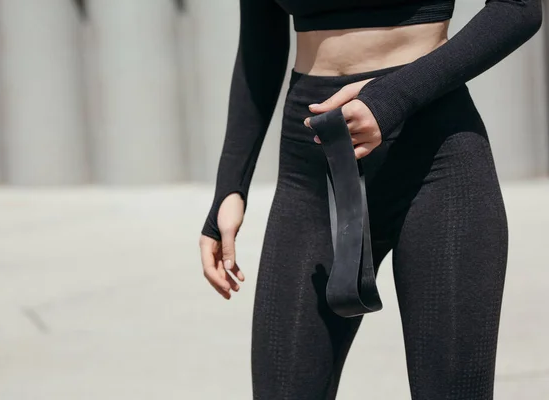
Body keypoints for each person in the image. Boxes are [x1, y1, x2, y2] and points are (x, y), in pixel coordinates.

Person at [198, 0, 542, 398]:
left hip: (435, 155)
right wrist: (231, 187)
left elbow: (519, 9)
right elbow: (261, 39)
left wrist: (391, 99)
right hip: (311, 163)